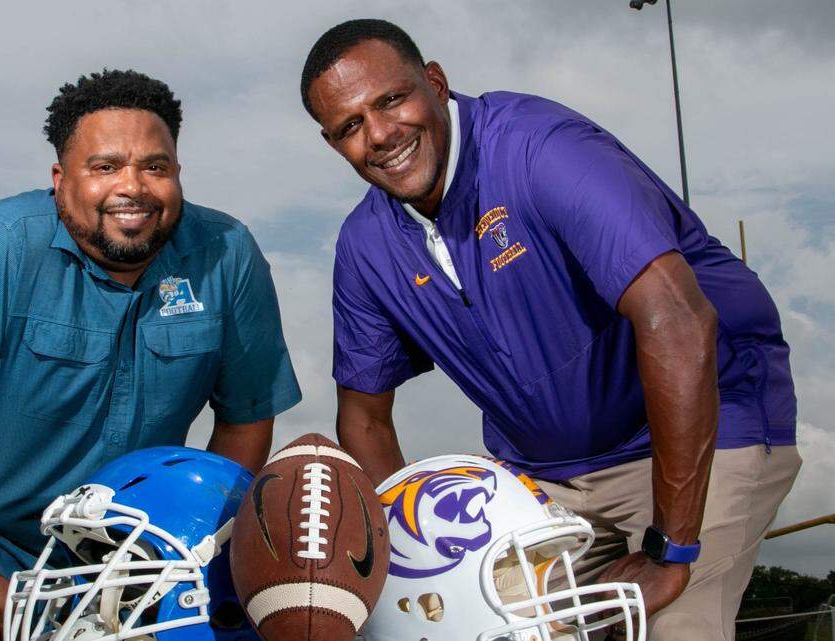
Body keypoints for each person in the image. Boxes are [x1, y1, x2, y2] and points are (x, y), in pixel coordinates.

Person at [300, 19, 800, 641]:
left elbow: (676, 317)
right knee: (465, 627)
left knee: (670, 629)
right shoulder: (365, 244)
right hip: (543, 474)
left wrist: (671, 549)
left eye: (392, 100)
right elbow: (366, 419)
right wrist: (410, 560)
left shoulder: (540, 147)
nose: (380, 134)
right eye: (350, 126)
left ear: (434, 82)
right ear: (332, 143)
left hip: (704, 431)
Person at [0, 69, 302, 641]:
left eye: (155, 167)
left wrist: (195, 543)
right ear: (59, 178)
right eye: (105, 167)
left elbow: (246, 415)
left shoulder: (227, 254)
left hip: (119, 547)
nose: (134, 187)